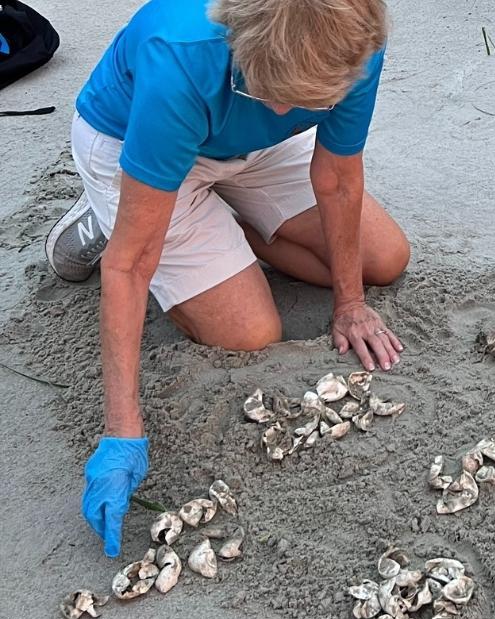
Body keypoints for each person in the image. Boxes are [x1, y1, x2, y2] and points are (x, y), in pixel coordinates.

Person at [46, 0, 410, 558]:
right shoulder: (181, 57)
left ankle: (215, 214)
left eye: (310, 97)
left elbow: (335, 175)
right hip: (133, 138)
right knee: (249, 332)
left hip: (253, 142)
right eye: (282, 91)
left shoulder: (351, 41)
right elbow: (130, 265)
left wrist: (351, 302)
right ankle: (114, 210)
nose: (291, 106)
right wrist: (122, 431)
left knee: (384, 260)